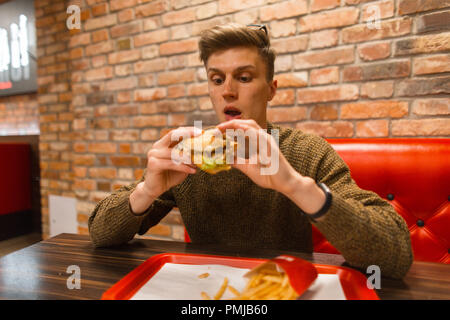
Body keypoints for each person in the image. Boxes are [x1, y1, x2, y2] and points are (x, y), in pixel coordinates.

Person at [88, 23, 413, 279]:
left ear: (271, 89)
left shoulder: (306, 152)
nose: (228, 91)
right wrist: (146, 190)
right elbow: (100, 234)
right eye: (217, 79)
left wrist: (295, 186)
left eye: (243, 77)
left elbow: (394, 255)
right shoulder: (188, 156)